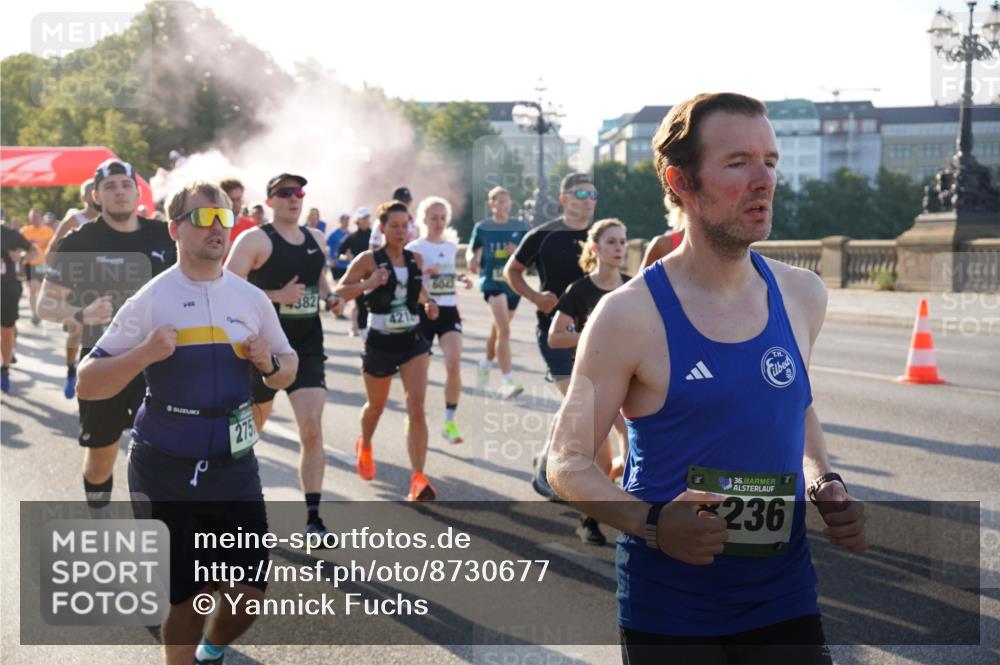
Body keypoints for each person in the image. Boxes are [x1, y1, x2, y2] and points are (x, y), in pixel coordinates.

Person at [545, 93, 866, 665]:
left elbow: (796, 404)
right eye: (738, 162)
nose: (763, 179)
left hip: (784, 595)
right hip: (671, 607)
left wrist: (823, 480)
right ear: (681, 181)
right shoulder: (627, 315)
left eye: (770, 160)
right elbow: (565, 462)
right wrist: (652, 524)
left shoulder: (802, 294)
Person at [77, 181, 297, 665]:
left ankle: (212, 650)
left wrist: (268, 364)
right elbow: (87, 383)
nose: (217, 227)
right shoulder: (152, 299)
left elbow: (289, 365)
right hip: (166, 467)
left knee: (248, 594)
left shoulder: (250, 298)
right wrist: (145, 354)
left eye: (224, 217)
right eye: (203, 218)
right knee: (188, 595)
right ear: (176, 228)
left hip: (234, 465)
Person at [39, 159, 177, 512]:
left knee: (164, 452)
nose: (119, 192)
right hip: (103, 364)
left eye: (125, 185)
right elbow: (45, 304)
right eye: (110, 186)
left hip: (159, 363)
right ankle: (98, 517)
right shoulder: (79, 241)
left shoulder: (163, 235)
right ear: (96, 196)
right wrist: (79, 314)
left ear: (136, 192)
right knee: (101, 460)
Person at [226, 173, 342, 540]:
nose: (295, 198)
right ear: (271, 199)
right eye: (286, 193)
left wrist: (331, 296)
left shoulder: (317, 239)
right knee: (250, 434)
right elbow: (227, 286)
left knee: (311, 428)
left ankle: (313, 519)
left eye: (300, 192)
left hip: (307, 346)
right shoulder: (255, 239)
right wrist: (276, 295)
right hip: (262, 349)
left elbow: (320, 281)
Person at [334, 200, 439, 501]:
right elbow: (339, 291)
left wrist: (428, 303)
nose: (400, 231)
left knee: (416, 407)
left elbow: (417, 290)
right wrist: (369, 282)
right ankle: (365, 443)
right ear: (382, 228)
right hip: (380, 342)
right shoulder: (369, 259)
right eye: (393, 226)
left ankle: (418, 478)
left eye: (404, 225)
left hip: (412, 341)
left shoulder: (415, 258)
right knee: (376, 407)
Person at [505, 172, 597, 497]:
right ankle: (547, 465)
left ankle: (563, 460)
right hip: (555, 332)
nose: (588, 201)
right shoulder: (544, 235)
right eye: (581, 194)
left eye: (592, 194)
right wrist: (536, 298)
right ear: (564, 199)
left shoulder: (600, 236)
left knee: (587, 403)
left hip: (595, 334)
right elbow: (511, 271)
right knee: (577, 399)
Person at [547, 217, 631, 544]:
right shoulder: (579, 291)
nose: (619, 247)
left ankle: (626, 504)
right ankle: (588, 518)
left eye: (623, 241)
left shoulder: (632, 286)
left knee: (634, 445)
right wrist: (589, 335)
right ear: (596, 249)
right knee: (602, 459)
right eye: (612, 241)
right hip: (590, 382)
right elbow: (555, 337)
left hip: (628, 380)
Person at [406, 196, 473, 444]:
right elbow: (407, 280)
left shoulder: (450, 247)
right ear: (424, 219)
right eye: (434, 217)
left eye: (443, 217)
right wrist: (424, 272)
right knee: (419, 371)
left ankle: (449, 421)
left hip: (448, 311)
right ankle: (412, 413)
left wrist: (461, 279)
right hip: (423, 311)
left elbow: (448, 273)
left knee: (454, 364)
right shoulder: (415, 248)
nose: (439, 222)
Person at [467, 186, 531, 398]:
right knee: (504, 331)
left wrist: (519, 253)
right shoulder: (483, 227)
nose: (504, 205)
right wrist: (472, 259)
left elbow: (530, 256)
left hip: (513, 284)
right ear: (491, 204)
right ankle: (508, 381)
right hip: (491, 283)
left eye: (507, 201)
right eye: (499, 201)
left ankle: (485, 364)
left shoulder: (521, 227)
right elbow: (471, 249)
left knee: (497, 331)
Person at [50, 179, 102, 398]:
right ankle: (72, 369)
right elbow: (53, 248)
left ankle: (94, 377)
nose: (94, 195)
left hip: (104, 283)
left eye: (96, 190)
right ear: (85, 197)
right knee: (77, 330)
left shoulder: (110, 221)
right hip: (78, 284)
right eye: (90, 191)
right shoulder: (74, 220)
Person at [1, 224, 38, 392]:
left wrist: (21, 258)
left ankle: (5, 368)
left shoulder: (9, 234)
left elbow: (33, 251)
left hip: (7, 288)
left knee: (6, 332)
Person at [341, 207, 373, 336]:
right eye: (363, 218)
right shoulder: (352, 237)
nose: (366, 221)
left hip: (372, 275)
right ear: (358, 220)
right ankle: (362, 333)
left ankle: (367, 330)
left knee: (370, 304)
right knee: (361, 304)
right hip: (357, 275)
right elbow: (340, 253)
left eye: (367, 218)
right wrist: (347, 257)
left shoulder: (373, 235)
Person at [20, 207, 55, 325]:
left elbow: (53, 247)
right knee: (32, 289)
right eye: (32, 217)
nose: (34, 219)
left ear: (40, 218)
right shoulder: (24, 231)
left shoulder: (48, 231)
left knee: (42, 290)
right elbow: (19, 247)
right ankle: (35, 314)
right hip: (30, 264)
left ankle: (40, 310)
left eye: (36, 217)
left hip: (44, 264)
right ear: (29, 219)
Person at [220, 178, 258, 249]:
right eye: (231, 200)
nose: (236, 204)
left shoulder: (251, 227)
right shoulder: (214, 227)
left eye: (238, 199)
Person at [326, 213, 351, 281]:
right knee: (337, 286)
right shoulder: (334, 233)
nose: (346, 222)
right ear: (340, 221)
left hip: (347, 265)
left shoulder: (350, 234)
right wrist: (329, 260)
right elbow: (325, 246)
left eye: (347, 220)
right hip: (336, 265)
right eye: (344, 220)